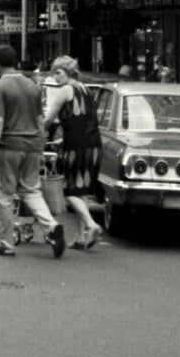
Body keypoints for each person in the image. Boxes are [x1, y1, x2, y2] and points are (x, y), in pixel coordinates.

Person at [0, 44, 65, 258]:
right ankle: (51, 227)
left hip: (9, 147)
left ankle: (5, 243)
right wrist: (40, 145)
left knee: (5, 194)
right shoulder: (32, 86)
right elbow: (40, 120)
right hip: (33, 146)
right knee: (31, 190)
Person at [42, 56, 103, 250]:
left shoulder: (64, 91)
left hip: (76, 146)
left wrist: (37, 134)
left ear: (68, 72)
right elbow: (84, 119)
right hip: (93, 144)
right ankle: (79, 237)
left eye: (58, 72)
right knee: (81, 190)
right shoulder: (85, 89)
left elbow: (48, 119)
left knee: (68, 190)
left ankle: (92, 225)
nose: (55, 77)